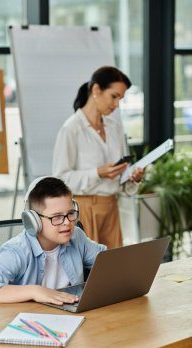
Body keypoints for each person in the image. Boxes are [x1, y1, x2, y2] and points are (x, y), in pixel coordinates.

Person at [0, 177, 106, 307]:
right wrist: (34, 291)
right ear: (33, 220)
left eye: (71, 213)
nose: (67, 222)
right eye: (57, 217)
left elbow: (108, 261)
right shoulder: (16, 250)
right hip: (30, 320)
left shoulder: (76, 236)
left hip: (69, 313)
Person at [53, 66, 143, 249]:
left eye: (120, 98)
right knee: (88, 272)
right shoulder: (71, 129)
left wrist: (133, 178)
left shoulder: (115, 128)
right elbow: (61, 179)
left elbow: (122, 181)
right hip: (84, 210)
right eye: (114, 96)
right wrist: (98, 173)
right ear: (96, 90)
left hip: (112, 207)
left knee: (113, 269)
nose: (117, 104)